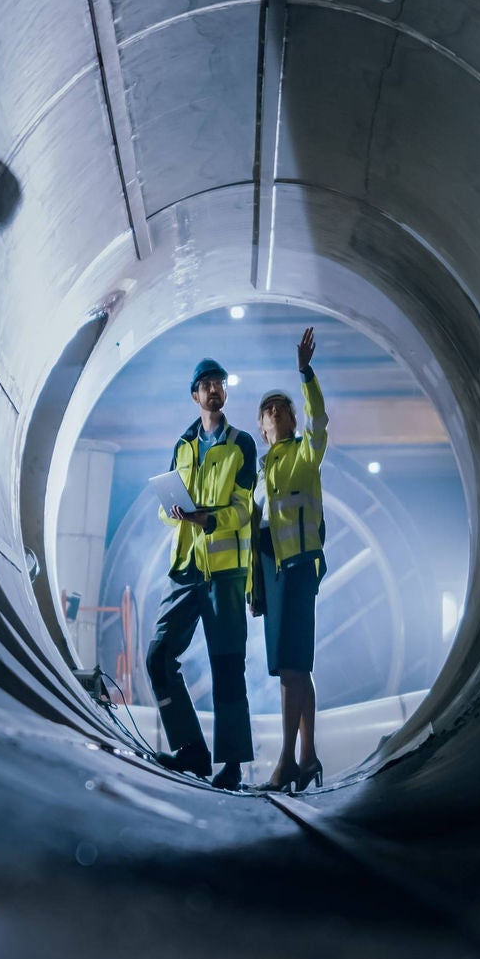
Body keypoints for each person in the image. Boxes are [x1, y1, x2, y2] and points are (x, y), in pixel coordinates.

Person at [145, 357, 259, 789]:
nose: (214, 389)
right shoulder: (183, 446)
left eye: (219, 384)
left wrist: (207, 520)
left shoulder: (241, 444)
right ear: (195, 395)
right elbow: (165, 511)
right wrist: (174, 511)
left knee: (227, 666)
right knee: (158, 656)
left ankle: (231, 766)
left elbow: (245, 508)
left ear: (225, 394)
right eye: (206, 385)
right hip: (185, 568)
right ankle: (191, 750)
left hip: (225, 573)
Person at [254, 327, 329, 792]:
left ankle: (285, 764)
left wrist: (305, 374)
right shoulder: (261, 471)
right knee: (297, 665)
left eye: (283, 407)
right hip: (273, 574)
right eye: (268, 409)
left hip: (298, 569)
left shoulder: (304, 455)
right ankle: (308, 756)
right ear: (262, 426)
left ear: (291, 420)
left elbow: (320, 421)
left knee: (290, 666)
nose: (276, 411)